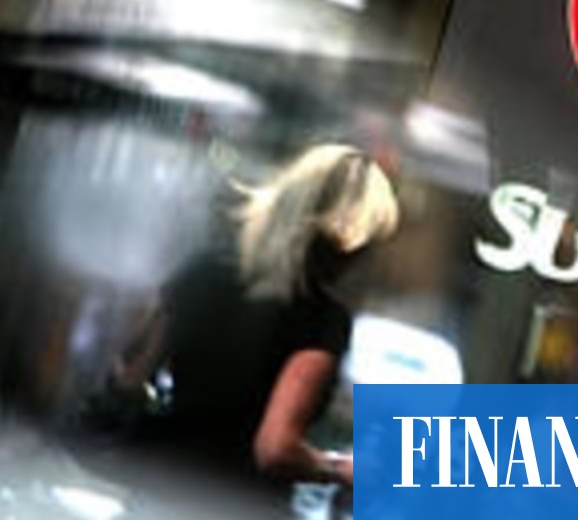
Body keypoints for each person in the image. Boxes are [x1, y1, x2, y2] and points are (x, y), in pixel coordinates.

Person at [113, 143, 399, 489]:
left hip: (154, 483)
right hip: (233, 500)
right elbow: (275, 450)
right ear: (339, 243)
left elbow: (129, 378)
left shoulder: (202, 269)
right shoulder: (322, 320)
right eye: (361, 248)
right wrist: (338, 469)